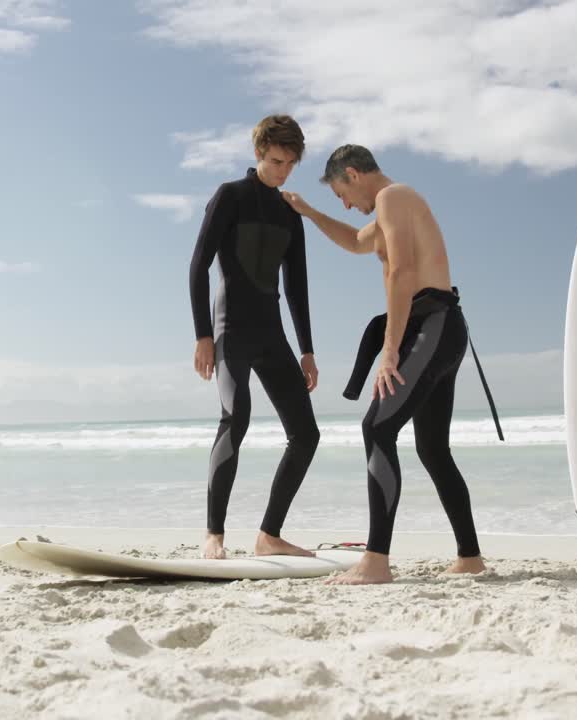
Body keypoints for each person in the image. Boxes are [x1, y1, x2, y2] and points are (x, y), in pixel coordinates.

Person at [283, 144, 502, 584]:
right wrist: (308, 212)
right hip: (441, 328)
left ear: (353, 174)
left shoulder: (392, 197)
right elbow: (353, 240)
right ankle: (470, 557)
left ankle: (376, 560)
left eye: (341, 194)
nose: (345, 204)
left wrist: (390, 349)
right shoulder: (389, 211)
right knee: (432, 449)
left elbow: (402, 272)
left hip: (432, 326)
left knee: (378, 427)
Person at [188, 115, 321, 560]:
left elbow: (298, 284)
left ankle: (268, 535)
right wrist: (203, 335)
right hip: (230, 330)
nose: (283, 171)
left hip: (271, 333)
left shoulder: (290, 212)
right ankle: (214, 535)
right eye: (277, 161)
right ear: (260, 153)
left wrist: (306, 349)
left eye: (290, 164)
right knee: (236, 417)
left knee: (306, 434)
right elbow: (198, 265)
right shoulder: (231, 196)